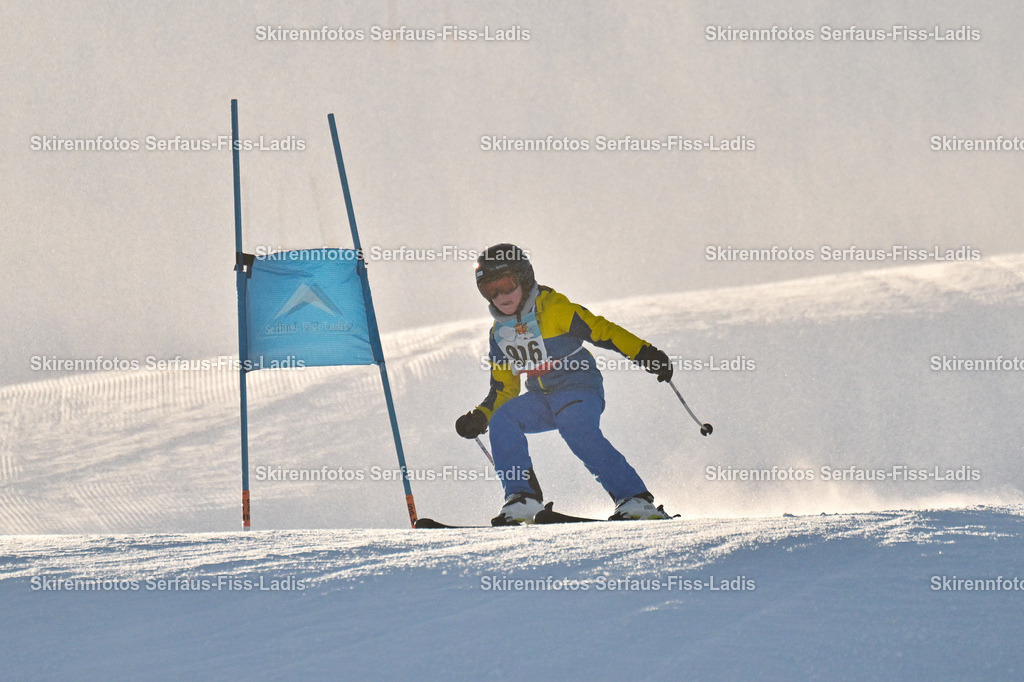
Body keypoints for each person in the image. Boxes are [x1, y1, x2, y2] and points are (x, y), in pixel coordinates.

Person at [455, 243, 675, 525]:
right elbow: (504, 389)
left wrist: (644, 353)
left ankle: (635, 499)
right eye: (490, 290)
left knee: (574, 424)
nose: (500, 297)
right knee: (503, 419)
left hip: (579, 389)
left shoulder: (555, 308)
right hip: (542, 399)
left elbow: (603, 331)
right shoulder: (500, 334)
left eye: (506, 285)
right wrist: (481, 416)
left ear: (524, 279)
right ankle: (523, 498)